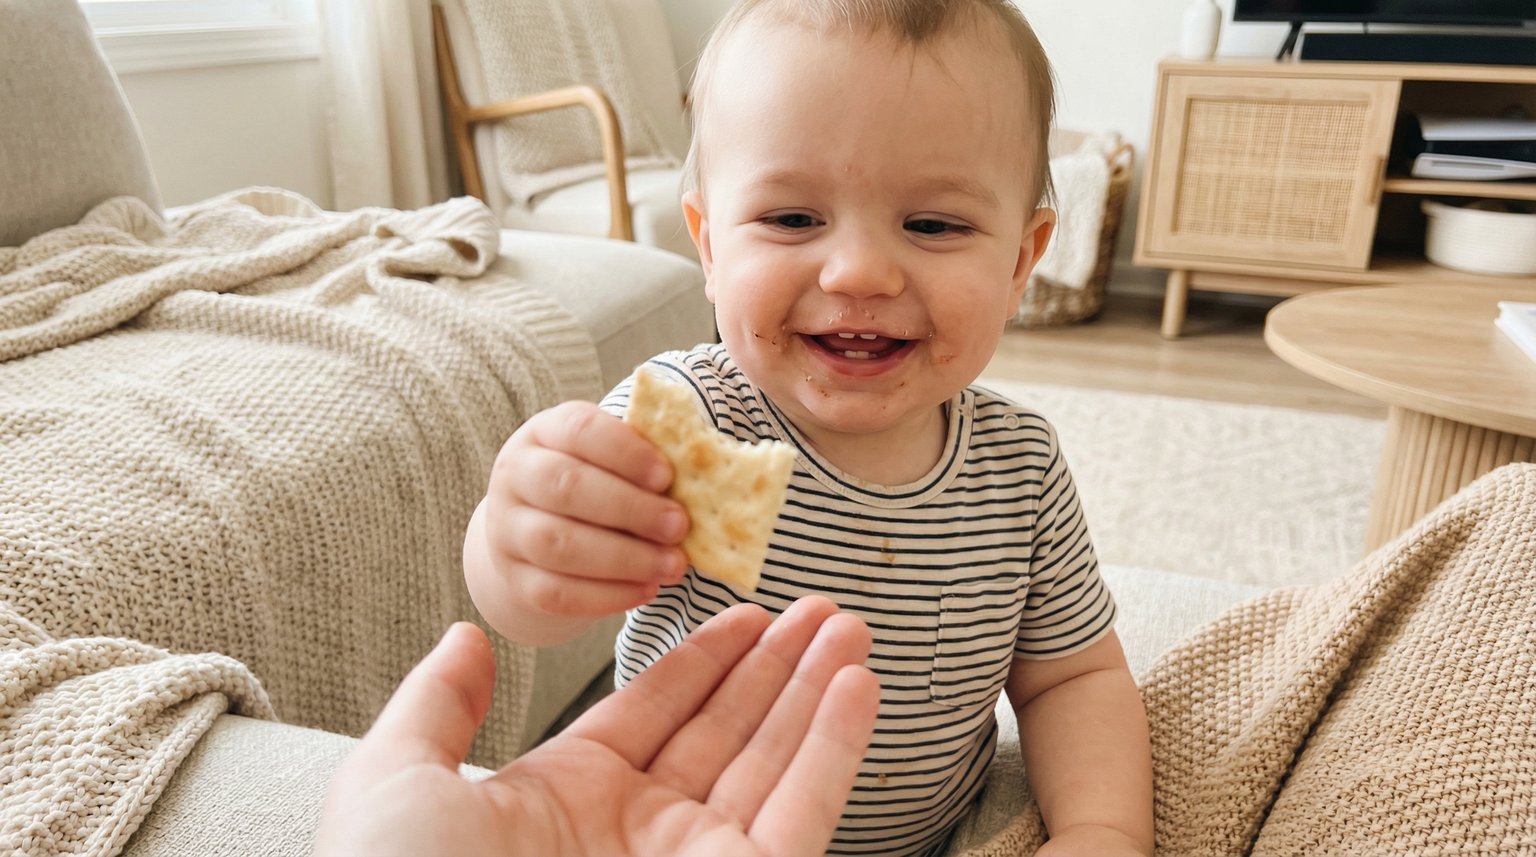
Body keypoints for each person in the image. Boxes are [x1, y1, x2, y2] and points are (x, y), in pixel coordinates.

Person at [463, 1, 1153, 855]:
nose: (858, 268)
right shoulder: (682, 426)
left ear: (1020, 261)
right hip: (682, 830)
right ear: (710, 247)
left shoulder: (1021, 470)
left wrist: (1103, 828)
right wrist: (515, 543)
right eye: (792, 219)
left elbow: (1072, 679)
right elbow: (534, 609)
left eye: (933, 224)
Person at [314, 596, 880, 856]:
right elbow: (529, 598)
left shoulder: (975, 453)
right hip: (662, 789)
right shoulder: (680, 405)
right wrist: (523, 543)